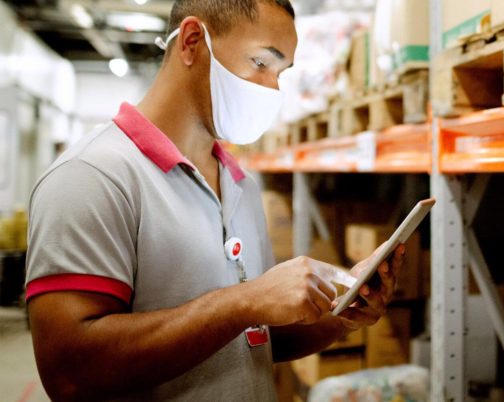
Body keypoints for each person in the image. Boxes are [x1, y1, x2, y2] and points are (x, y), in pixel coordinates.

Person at [24, 0, 405, 400]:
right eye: (260, 63)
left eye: (280, 74)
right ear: (192, 41)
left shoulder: (240, 183)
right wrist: (247, 301)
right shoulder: (92, 175)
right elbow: (69, 373)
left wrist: (342, 315)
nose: (272, 89)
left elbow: (254, 339)